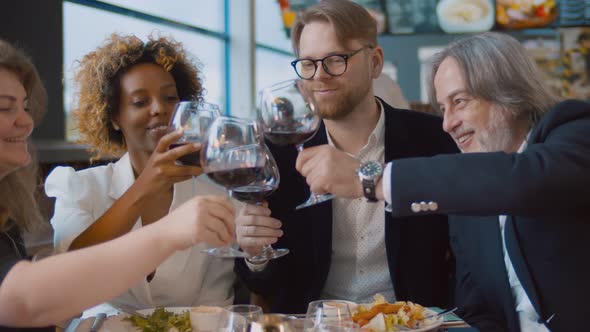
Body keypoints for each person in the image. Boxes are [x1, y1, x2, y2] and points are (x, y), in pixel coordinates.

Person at [295, 32, 590, 332]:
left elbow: (525, 180)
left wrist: (374, 180)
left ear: (509, 95)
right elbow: (478, 310)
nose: (447, 124)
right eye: (442, 108)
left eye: (459, 102)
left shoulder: (574, 132)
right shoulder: (466, 203)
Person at [234, 0, 458, 314]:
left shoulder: (435, 140)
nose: (320, 76)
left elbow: (463, 256)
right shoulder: (278, 157)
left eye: (336, 59)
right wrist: (256, 254)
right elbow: (268, 287)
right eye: (308, 64)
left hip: (412, 322)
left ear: (375, 62)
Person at [0, 38, 236, 329]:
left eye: (171, 98)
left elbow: (221, 299)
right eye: (139, 102)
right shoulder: (78, 186)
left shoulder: (7, 215)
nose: (27, 122)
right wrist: (149, 198)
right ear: (113, 116)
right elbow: (61, 281)